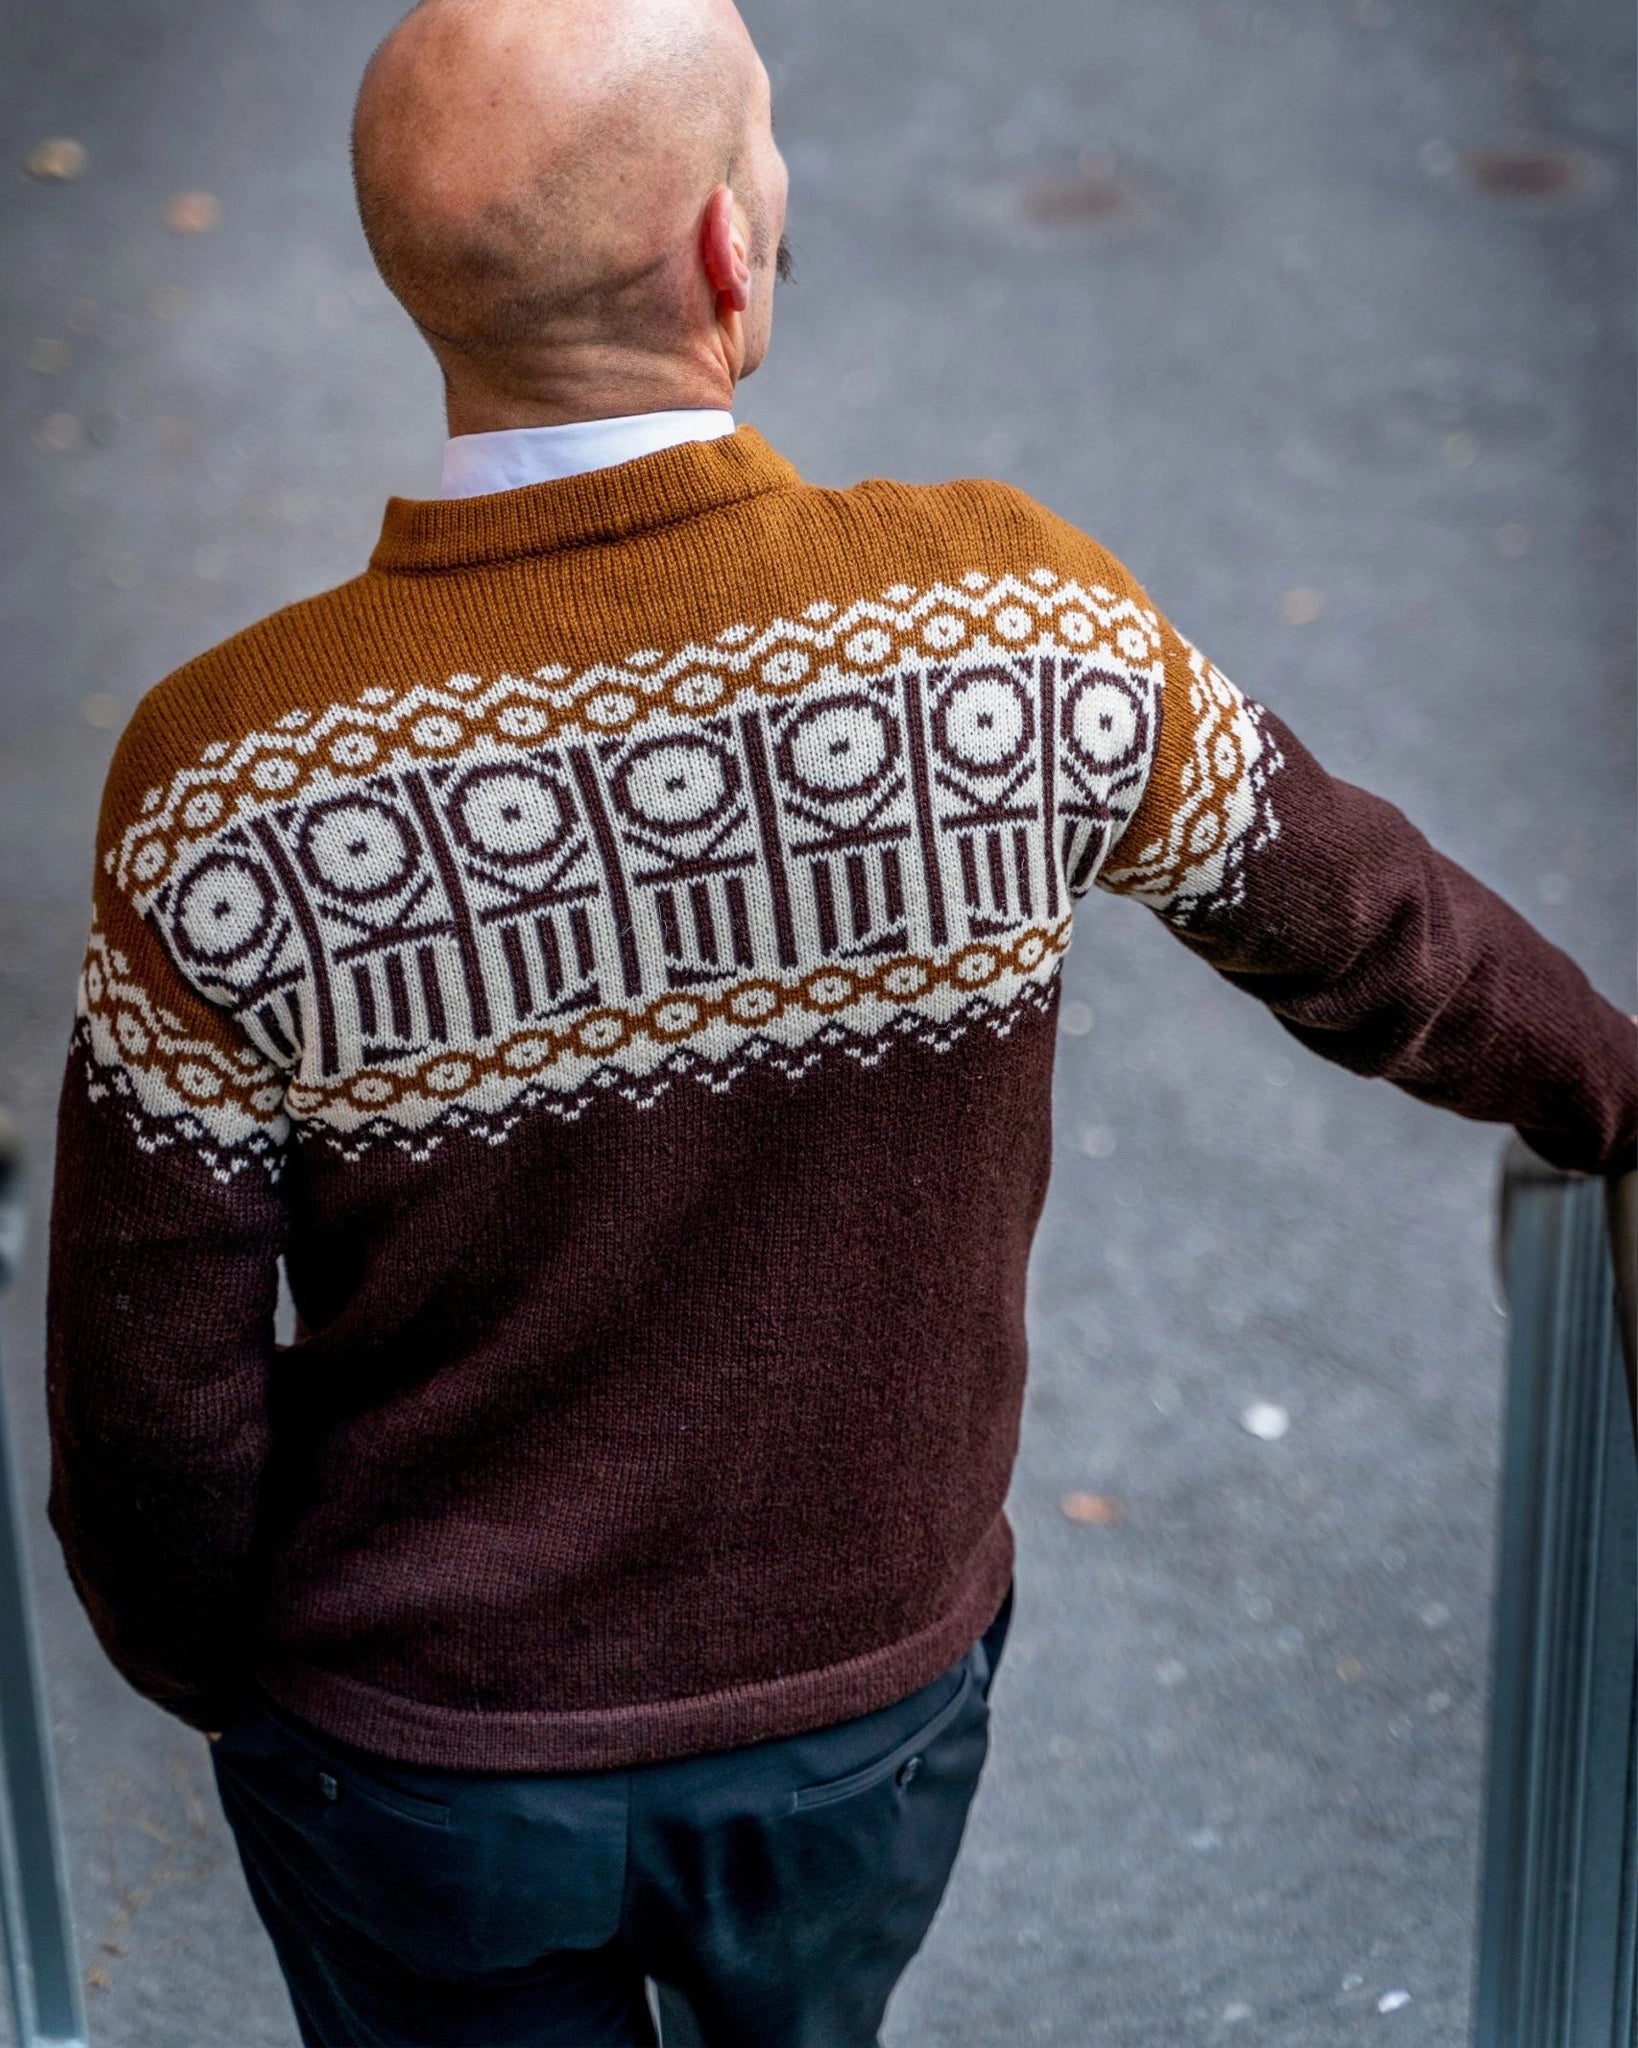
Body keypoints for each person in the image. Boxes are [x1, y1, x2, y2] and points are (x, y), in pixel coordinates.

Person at [43, 0, 1635, 2041]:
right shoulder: (1009, 630)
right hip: (859, 1707)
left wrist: (245, 1680)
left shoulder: (227, 775)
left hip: (418, 1758)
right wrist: (1618, 1088)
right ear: (726, 244)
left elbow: (146, 1388)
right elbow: (1379, 936)